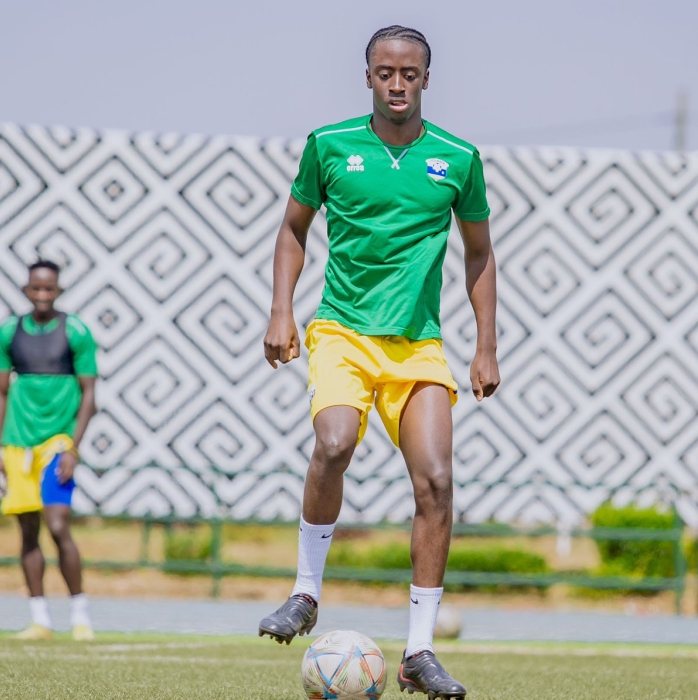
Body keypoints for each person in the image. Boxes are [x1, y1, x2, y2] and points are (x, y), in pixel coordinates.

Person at [257, 26, 498, 699]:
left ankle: (419, 652)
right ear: (367, 75)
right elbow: (293, 229)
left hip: (418, 344)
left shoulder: (458, 157)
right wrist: (282, 309)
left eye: (410, 74)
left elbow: (480, 253)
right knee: (334, 443)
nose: (397, 84)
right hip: (342, 333)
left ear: (426, 78)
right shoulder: (330, 146)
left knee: (437, 480)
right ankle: (305, 594)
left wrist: (486, 345)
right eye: (385, 73)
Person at [0, 260, 98, 641]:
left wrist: (73, 447)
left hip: (56, 444)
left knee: (57, 525)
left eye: (49, 289)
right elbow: (1, 392)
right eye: (35, 289)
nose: (42, 295)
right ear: (25, 290)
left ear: (58, 291)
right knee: (28, 530)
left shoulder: (76, 332)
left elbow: (89, 396)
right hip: (17, 444)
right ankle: (40, 619)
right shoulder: (9, 332)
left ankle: (80, 614)